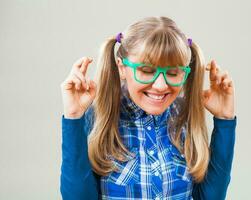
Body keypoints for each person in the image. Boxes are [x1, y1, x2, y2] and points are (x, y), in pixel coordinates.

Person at [60, 16, 237, 200]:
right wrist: (73, 117)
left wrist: (224, 120)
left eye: (173, 73)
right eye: (146, 71)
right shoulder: (100, 119)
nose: (160, 85)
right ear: (122, 67)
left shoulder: (184, 117)